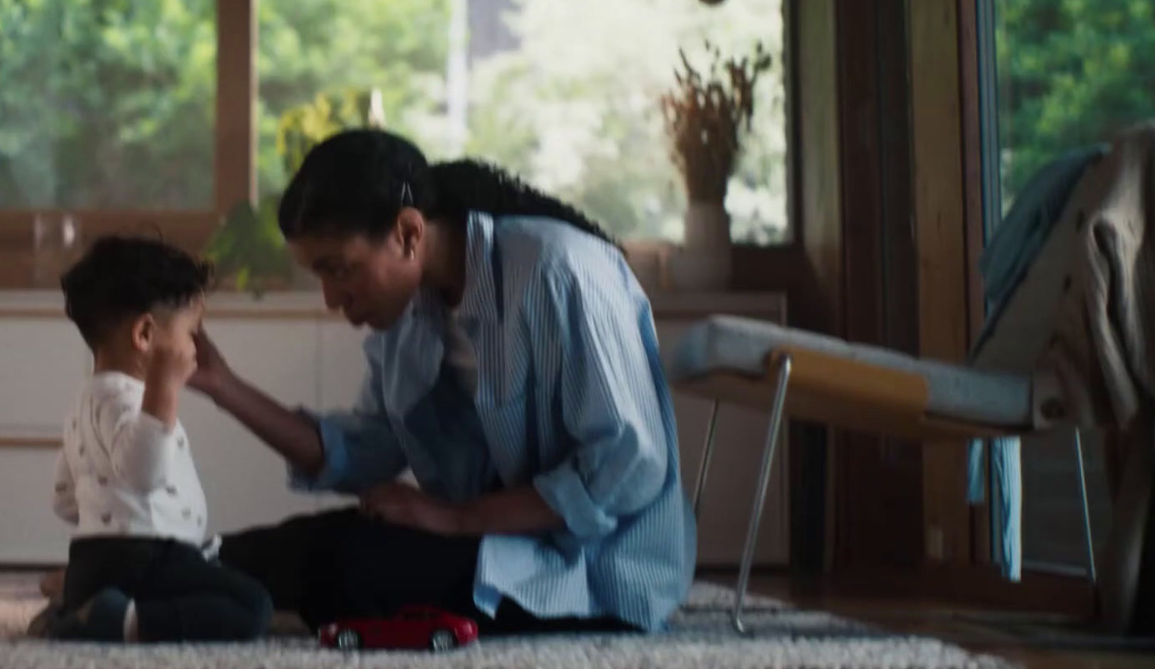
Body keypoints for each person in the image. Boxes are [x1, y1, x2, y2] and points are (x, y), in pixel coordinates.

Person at [193, 130, 696, 635]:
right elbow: (365, 451)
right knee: (273, 552)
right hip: (485, 540)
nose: (330, 298)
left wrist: (456, 518)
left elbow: (629, 466)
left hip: (593, 568)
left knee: (340, 566)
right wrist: (223, 386)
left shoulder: (559, 271)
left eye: (339, 270)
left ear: (408, 233)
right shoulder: (410, 312)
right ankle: (165, 576)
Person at [34, 235, 272, 643]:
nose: (196, 347)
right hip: (147, 557)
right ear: (145, 334)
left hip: (92, 560)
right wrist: (164, 387)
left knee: (217, 584)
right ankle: (122, 622)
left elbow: (64, 497)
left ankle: (74, 609)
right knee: (252, 606)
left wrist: (107, 517)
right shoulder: (134, 399)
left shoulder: (86, 399)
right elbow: (143, 473)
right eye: (190, 333)